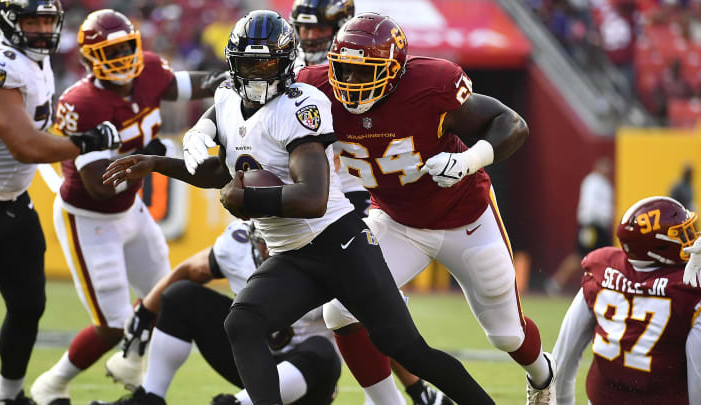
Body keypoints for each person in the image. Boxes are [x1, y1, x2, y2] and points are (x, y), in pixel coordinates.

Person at [105, 9, 494, 405]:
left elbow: (312, 197)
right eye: (248, 64)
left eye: (266, 64)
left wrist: (248, 199)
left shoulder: (301, 104)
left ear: (286, 63)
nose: (257, 75)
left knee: (407, 348)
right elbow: (221, 172)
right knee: (243, 322)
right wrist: (158, 164)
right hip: (292, 254)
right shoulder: (225, 100)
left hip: (339, 246)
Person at [294, 12, 557, 405]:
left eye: (362, 72)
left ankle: (542, 376)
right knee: (340, 312)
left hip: (465, 219)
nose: (349, 82)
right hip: (397, 222)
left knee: (507, 334)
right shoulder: (316, 87)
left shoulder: (431, 85)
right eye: (344, 69)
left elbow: (511, 123)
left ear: (395, 72)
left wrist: (469, 162)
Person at [28, 9, 216, 405]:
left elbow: (188, 85)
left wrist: (232, 80)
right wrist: (146, 158)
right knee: (112, 325)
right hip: (89, 219)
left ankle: (139, 379)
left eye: (127, 47)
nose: (122, 59)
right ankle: (52, 384)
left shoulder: (148, 70)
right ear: (89, 58)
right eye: (111, 52)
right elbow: (99, 187)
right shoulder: (82, 102)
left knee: (164, 298)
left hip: (131, 211)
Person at [290, 2, 447, 404]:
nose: (309, 37)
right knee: (337, 306)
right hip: (305, 198)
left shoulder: (356, 68)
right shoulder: (289, 70)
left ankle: (411, 389)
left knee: (365, 300)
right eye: (303, 29)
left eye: (319, 28)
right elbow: (225, 91)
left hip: (354, 194)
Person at [0, 1, 121, 404]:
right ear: (10, 22)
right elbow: (24, 145)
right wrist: (85, 143)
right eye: (32, 21)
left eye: (48, 20)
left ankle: (9, 397)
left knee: (28, 305)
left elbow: (38, 126)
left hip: (11, 200)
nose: (42, 30)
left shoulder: (33, 59)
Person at [88, 220, 342, 405]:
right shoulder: (237, 248)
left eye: (280, 238)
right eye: (266, 239)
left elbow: (369, 321)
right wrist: (145, 313)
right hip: (254, 364)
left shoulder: (327, 261)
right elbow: (189, 271)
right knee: (181, 296)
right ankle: (150, 397)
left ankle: (234, 404)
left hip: (308, 380)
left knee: (322, 349)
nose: (270, 250)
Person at [552, 196, 701, 405]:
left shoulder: (601, 269)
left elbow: (563, 355)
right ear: (657, 247)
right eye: (681, 235)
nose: (691, 240)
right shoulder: (689, 287)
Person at [546, 157, 614, 295]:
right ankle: (556, 282)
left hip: (601, 227)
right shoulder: (592, 182)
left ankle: (600, 285)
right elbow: (591, 206)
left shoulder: (606, 185)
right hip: (591, 226)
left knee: (606, 256)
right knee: (580, 256)